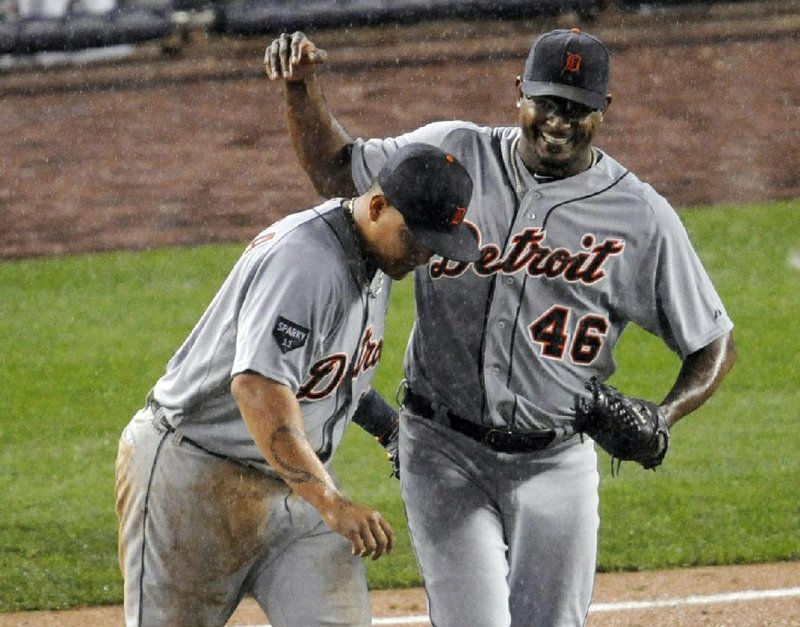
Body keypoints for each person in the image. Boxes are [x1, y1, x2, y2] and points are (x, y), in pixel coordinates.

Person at [265, 27, 737, 627]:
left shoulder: (639, 216)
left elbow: (713, 341)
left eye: (577, 108)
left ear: (604, 110)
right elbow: (339, 173)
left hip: (556, 462)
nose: (558, 122)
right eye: (546, 103)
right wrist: (302, 90)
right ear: (519, 93)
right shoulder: (451, 151)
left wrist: (663, 416)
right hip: (441, 451)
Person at [114, 142, 480, 627]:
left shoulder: (376, 255)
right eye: (416, 238)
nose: (423, 254)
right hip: (195, 478)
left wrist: (391, 430)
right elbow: (257, 386)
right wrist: (330, 501)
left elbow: (329, 374)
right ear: (376, 206)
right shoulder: (306, 262)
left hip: (294, 485)